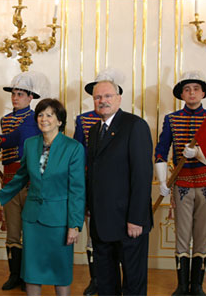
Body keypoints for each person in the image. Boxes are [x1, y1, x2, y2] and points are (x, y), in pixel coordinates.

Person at [0, 98, 86, 296]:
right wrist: (0, 196)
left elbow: (77, 190)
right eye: (40, 115)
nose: (44, 119)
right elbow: (21, 176)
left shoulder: (73, 148)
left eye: (49, 115)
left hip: (59, 221)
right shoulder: (30, 144)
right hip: (32, 219)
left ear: (60, 121)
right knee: (32, 273)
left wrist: (74, 224)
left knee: (61, 272)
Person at [0, 71, 49, 291]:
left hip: (29, 181)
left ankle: (31, 276)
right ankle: (14, 275)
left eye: (20, 94)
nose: (15, 98)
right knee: (13, 233)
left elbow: (13, 140)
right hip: (9, 181)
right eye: (14, 94)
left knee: (31, 232)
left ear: (30, 97)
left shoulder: (32, 119)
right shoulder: (6, 119)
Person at [85, 70, 153, 295]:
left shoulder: (135, 126)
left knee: (133, 284)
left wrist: (136, 219)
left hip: (128, 224)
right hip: (101, 223)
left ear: (119, 98)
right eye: (97, 97)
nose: (102, 101)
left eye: (107, 96)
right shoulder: (95, 130)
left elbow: (142, 176)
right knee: (105, 283)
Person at [155, 71, 206, 296]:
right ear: (182, 94)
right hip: (181, 185)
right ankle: (182, 286)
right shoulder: (172, 119)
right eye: (187, 89)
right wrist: (163, 180)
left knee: (201, 235)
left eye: (196, 89)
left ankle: (197, 286)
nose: (192, 93)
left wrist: (198, 153)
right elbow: (161, 150)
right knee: (182, 236)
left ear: (203, 93)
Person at [73, 76, 108, 296]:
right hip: (88, 184)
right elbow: (77, 153)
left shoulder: (127, 122)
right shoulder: (83, 120)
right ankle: (95, 279)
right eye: (98, 95)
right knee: (91, 234)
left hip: (113, 189)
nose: (102, 99)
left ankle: (109, 280)